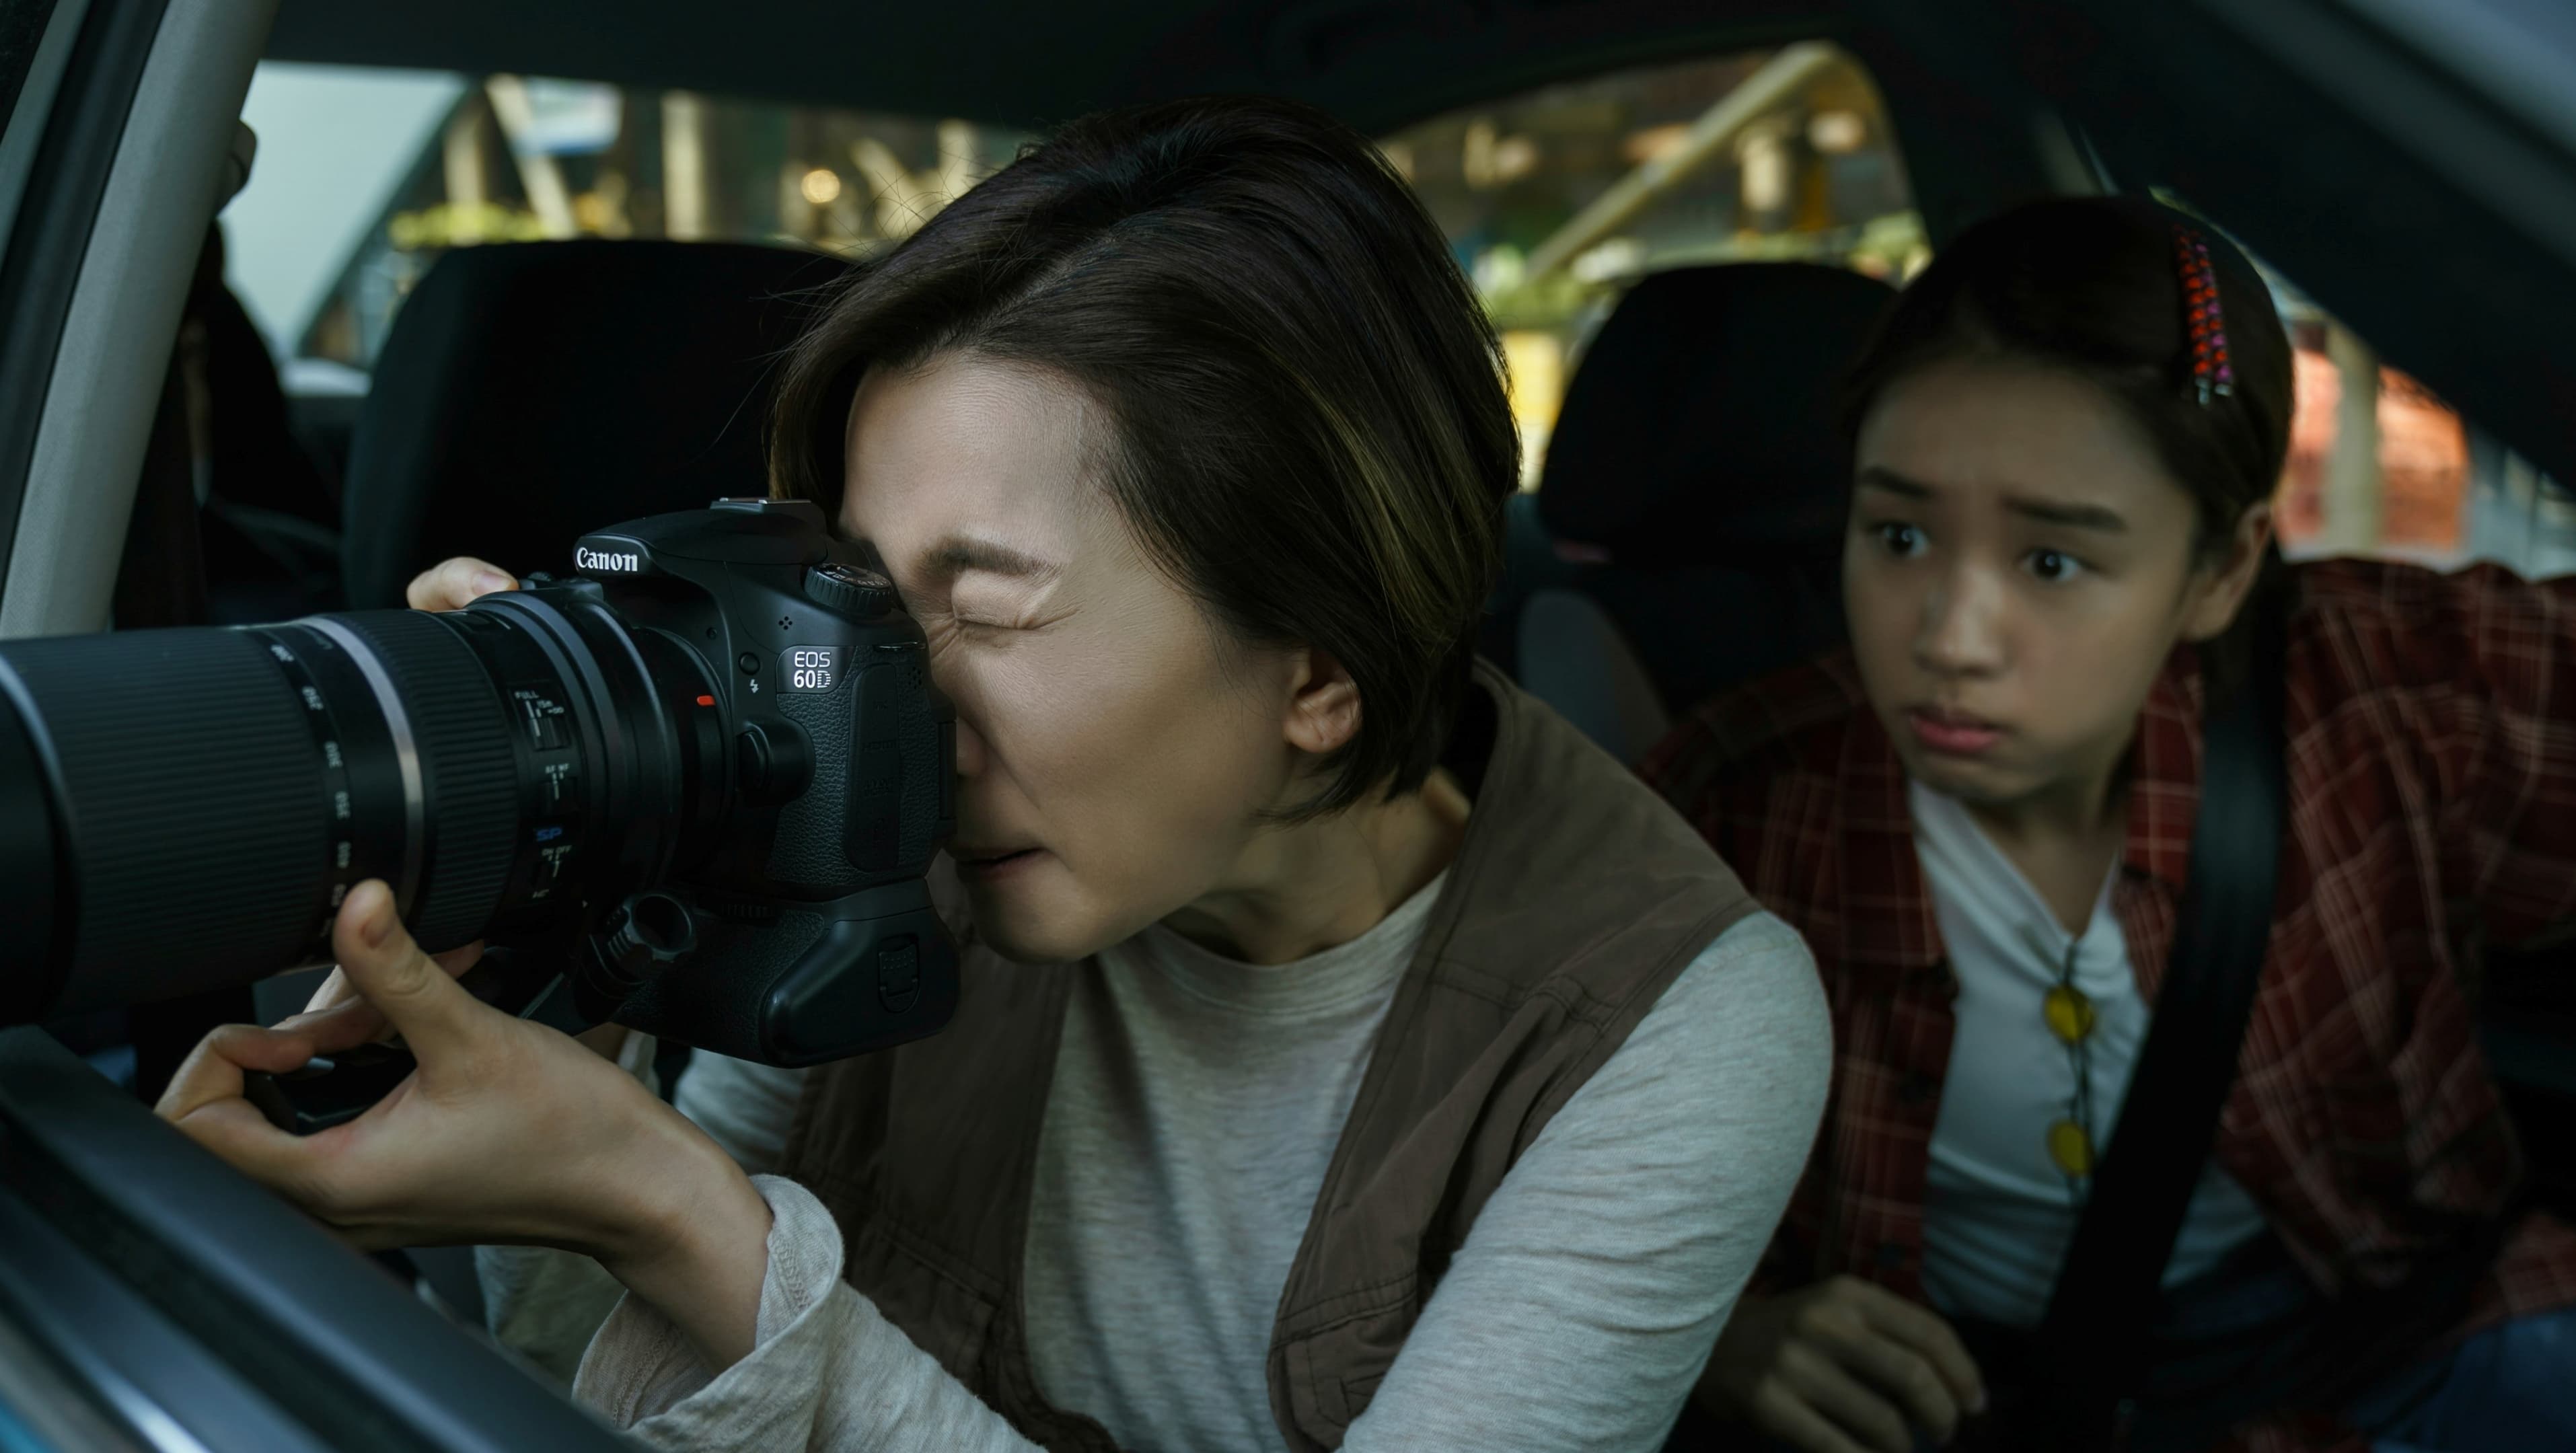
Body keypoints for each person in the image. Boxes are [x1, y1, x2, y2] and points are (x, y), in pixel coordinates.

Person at [155, 96, 1833, 1452]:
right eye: (868, 598)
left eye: (991, 606)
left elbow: (698, 1267)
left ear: (1321, 667)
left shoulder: (1667, 1022)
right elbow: (605, 1390)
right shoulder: (878, 826)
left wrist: (676, 1216)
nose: (893, 695)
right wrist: (557, 958)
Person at [1643, 194, 2576, 1453]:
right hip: (1998, 1409)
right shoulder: (1728, 813)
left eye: (2052, 562)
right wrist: (1717, 1333)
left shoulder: (2382, 690)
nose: (1950, 639)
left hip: (2413, 1344)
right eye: (1899, 535)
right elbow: (1474, 1163)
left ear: (2221, 571)